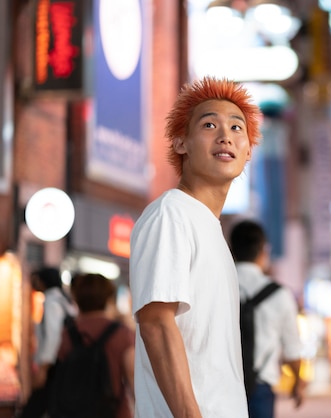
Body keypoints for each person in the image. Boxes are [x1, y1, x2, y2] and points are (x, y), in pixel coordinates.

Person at [130, 76, 262, 417]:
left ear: (248, 151)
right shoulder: (171, 214)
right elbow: (156, 322)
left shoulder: (208, 227)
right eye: (209, 124)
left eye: (237, 128)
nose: (225, 136)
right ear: (180, 143)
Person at [229, 219, 304, 418]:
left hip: (222, 386)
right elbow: (292, 350)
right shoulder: (280, 295)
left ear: (231, 250)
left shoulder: (217, 287)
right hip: (261, 389)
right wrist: (297, 383)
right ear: (264, 251)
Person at [55, 273, 135, 418]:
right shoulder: (122, 333)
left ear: (77, 298)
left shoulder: (66, 333)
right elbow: (133, 378)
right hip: (113, 412)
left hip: (72, 411)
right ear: (108, 298)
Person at [20, 267, 76, 418]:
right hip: (59, 365)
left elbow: (53, 337)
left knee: (33, 409)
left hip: (53, 366)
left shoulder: (52, 301)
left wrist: (44, 369)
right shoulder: (62, 300)